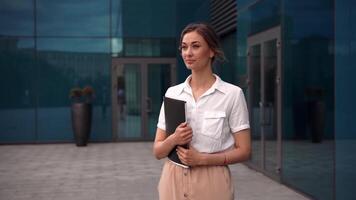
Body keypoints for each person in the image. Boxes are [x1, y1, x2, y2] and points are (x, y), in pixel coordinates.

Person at [153, 22, 251, 200]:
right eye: (184, 47)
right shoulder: (173, 93)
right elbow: (158, 151)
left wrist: (202, 159)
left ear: (212, 51)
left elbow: (244, 150)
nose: (188, 53)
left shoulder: (232, 94)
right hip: (172, 179)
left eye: (195, 46)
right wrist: (174, 138)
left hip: (213, 180)